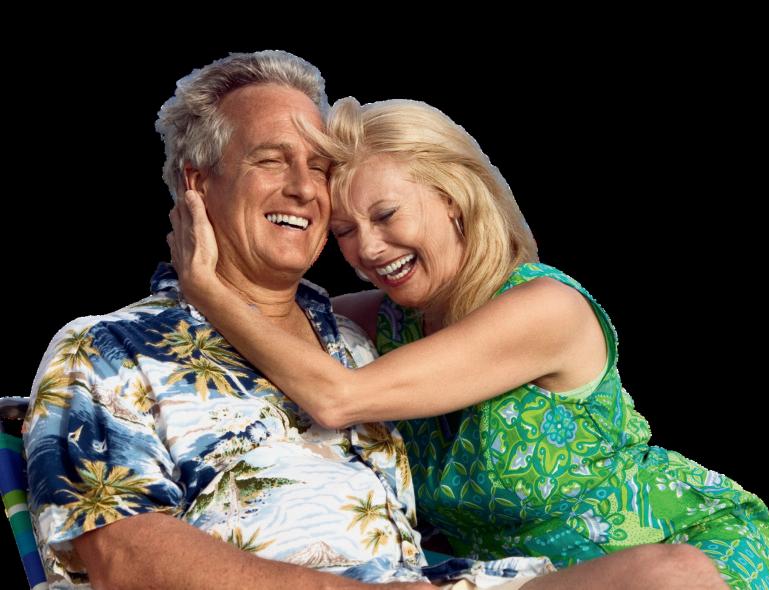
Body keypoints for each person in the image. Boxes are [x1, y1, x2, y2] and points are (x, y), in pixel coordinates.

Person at [169, 98, 769, 589]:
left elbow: (336, 397)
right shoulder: (391, 320)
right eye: (346, 231)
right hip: (514, 580)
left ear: (453, 198)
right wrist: (221, 235)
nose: (368, 251)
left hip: (673, 557)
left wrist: (205, 287)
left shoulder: (544, 308)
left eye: (386, 215)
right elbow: (276, 314)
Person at [22, 50, 561, 590]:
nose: (304, 188)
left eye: (319, 167)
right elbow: (124, 556)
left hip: (448, 579)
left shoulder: (357, 340)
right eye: (271, 160)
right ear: (197, 183)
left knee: (621, 575)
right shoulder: (108, 349)